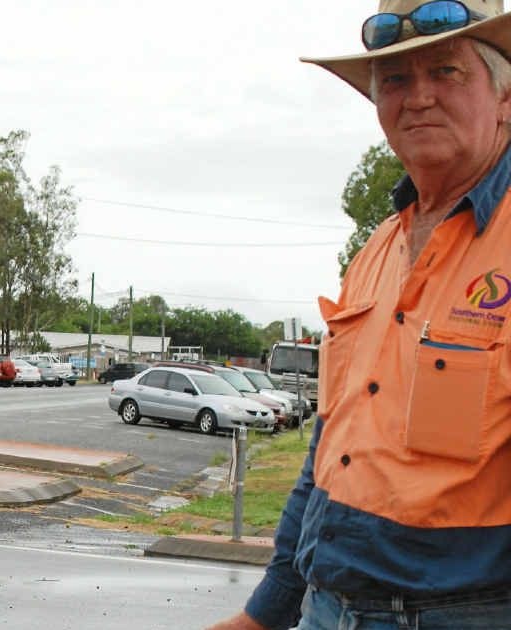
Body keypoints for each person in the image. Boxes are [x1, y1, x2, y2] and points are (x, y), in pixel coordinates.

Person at [209, 1, 511, 628]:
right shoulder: (376, 250)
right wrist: (265, 612)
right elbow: (329, 451)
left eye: (447, 71)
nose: (418, 96)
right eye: (396, 79)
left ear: (505, 98)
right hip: (327, 611)